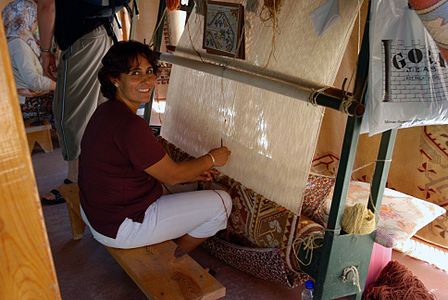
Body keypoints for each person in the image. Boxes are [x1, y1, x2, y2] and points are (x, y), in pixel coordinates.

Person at [78, 41, 232, 252]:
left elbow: (151, 168)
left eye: (149, 71)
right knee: (222, 204)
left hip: (95, 212)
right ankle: (174, 260)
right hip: (120, 226)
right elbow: (172, 175)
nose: (147, 80)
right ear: (115, 79)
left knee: (179, 186)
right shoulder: (130, 125)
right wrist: (212, 158)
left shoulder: (106, 111)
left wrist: (191, 174)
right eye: (135, 73)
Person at [37, 0, 114, 204]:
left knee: (69, 115)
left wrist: (45, 52)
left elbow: (47, 5)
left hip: (83, 38)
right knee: (97, 113)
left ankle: (76, 182)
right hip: (99, 33)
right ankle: (101, 178)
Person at [2, 0, 56, 105]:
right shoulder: (18, 44)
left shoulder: (20, 42)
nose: (37, 25)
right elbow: (34, 81)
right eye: (37, 19)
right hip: (28, 104)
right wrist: (58, 87)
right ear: (27, 18)